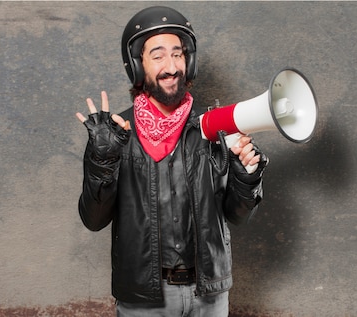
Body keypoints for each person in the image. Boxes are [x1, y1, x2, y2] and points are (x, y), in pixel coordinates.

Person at [75, 6, 267, 317]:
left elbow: (238, 215)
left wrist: (247, 177)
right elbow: (94, 220)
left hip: (209, 296)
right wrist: (102, 161)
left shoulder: (216, 127)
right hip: (144, 299)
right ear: (138, 66)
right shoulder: (114, 134)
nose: (171, 65)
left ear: (188, 61)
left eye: (178, 54)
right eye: (158, 55)